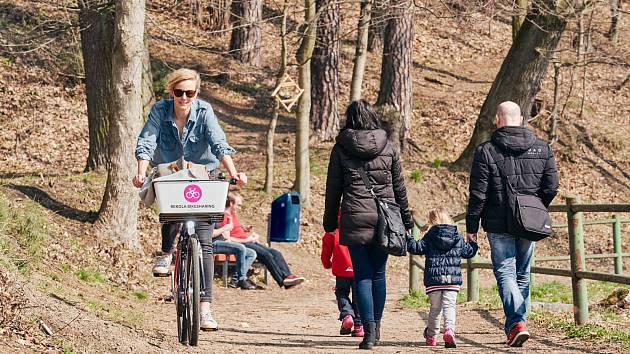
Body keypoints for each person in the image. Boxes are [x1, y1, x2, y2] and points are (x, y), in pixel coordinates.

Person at [132, 68, 247, 330]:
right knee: (172, 209)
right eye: (179, 92)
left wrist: (233, 172)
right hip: (171, 170)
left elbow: (219, 142)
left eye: (190, 93)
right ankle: (166, 253)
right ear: (171, 91)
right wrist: (140, 172)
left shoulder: (204, 111)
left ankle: (205, 309)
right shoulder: (160, 111)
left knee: (205, 243)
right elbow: (147, 141)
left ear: (197, 93)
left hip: (203, 172)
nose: (184, 98)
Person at [465, 101, 559, 347]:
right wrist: (535, 208)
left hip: (498, 223)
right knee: (522, 274)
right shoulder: (543, 148)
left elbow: (478, 194)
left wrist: (471, 227)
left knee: (506, 272)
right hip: (529, 222)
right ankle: (518, 325)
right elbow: (551, 187)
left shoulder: (486, 151)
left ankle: (517, 322)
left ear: (498, 119)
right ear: (521, 118)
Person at [323, 100, 413, 350]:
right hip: (385, 218)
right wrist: (407, 221)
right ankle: (378, 328)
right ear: (373, 117)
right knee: (379, 274)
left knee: (362, 275)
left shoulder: (341, 148)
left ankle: (369, 333)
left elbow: (333, 190)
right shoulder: (389, 147)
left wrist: (329, 222)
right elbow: (399, 188)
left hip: (355, 217)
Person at [406, 207, 478, 348]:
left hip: (434, 281)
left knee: (435, 309)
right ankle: (449, 330)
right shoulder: (457, 236)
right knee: (449, 306)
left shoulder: (430, 235)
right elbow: (468, 252)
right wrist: (473, 242)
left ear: (432, 221)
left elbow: (416, 248)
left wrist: (408, 237)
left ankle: (432, 337)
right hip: (452, 280)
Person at [218, 192, 306, 289]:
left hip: (248, 241)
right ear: (231, 203)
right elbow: (227, 238)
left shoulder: (232, 215)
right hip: (242, 244)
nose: (240, 208)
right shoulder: (225, 216)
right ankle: (282, 281)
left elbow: (234, 230)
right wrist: (248, 239)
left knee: (276, 253)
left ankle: (288, 276)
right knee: (266, 255)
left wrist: (244, 229)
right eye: (238, 205)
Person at [321, 213, 364, 337]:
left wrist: (327, 263)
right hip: (359, 268)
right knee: (359, 296)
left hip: (341, 270)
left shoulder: (332, 232)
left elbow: (326, 251)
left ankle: (347, 315)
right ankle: (359, 326)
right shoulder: (359, 230)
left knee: (341, 292)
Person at [212, 215, 258, 290]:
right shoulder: (208, 216)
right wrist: (225, 228)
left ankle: (235, 281)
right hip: (213, 243)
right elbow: (211, 234)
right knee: (241, 248)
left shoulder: (216, 216)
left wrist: (229, 225)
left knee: (251, 253)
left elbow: (226, 235)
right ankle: (241, 279)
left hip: (222, 241)